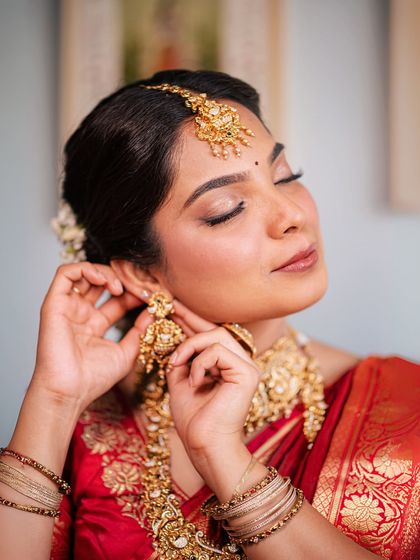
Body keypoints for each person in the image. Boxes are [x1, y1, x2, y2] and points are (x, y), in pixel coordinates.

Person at [0, 69, 418, 560]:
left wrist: (225, 458)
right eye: (227, 209)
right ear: (143, 274)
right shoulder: (80, 429)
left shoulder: (403, 406)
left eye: (286, 176)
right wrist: (52, 401)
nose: (292, 215)